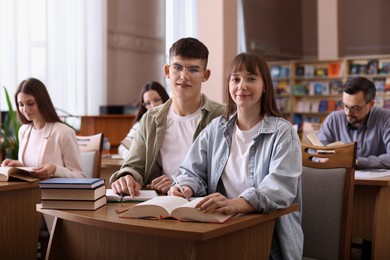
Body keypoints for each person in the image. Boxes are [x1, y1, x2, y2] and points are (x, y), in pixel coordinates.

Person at [169, 52, 303, 259]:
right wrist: (186, 186)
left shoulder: (283, 133)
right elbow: (191, 170)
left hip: (268, 238)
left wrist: (236, 204)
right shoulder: (216, 128)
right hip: (220, 229)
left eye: (251, 79)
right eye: (236, 79)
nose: (242, 86)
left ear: (265, 86)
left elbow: (280, 189)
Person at [110, 37, 225, 195]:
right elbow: (134, 165)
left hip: (203, 205)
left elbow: (229, 175)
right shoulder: (151, 118)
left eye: (193, 69)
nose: (184, 76)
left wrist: (181, 184)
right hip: (160, 204)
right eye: (177, 67)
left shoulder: (222, 116)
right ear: (167, 71)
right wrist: (127, 176)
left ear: (205, 75)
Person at [1, 77, 84, 179]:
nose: (25, 109)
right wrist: (19, 166)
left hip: (53, 193)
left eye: (30, 103)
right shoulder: (23, 131)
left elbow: (80, 177)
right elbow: (33, 170)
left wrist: (55, 169)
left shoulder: (64, 133)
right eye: (21, 104)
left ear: (42, 101)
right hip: (29, 192)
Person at [317, 76, 390, 169]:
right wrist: (321, 158)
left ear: (371, 105)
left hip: (377, 182)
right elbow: (316, 152)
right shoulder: (333, 119)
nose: (348, 112)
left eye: (355, 107)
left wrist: (357, 162)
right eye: (345, 105)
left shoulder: (386, 119)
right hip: (338, 180)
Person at [117, 81, 169, 159]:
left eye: (157, 100)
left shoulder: (174, 120)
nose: (153, 106)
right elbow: (122, 147)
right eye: (148, 103)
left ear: (164, 99)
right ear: (144, 106)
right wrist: (134, 157)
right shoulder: (141, 123)